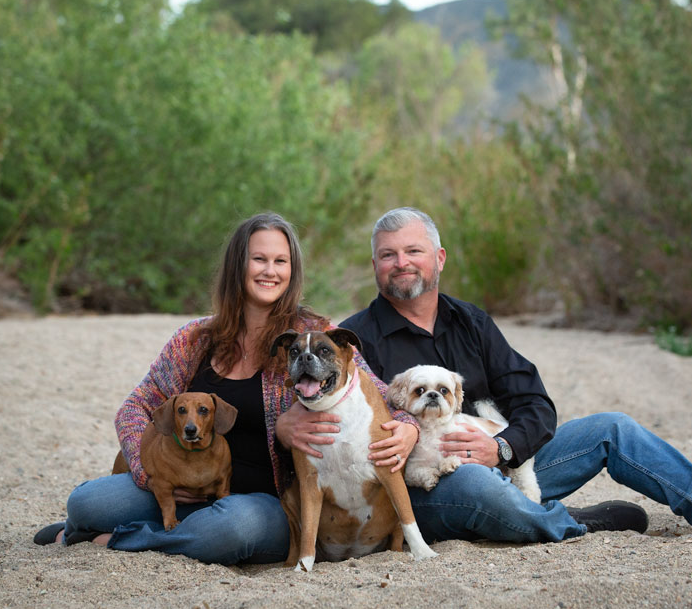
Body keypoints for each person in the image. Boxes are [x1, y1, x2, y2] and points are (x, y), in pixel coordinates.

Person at [336, 207, 692, 543]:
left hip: (509, 467)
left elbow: (534, 404)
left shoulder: (472, 322)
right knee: (478, 487)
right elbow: (351, 439)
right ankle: (562, 521)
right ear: (375, 265)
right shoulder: (354, 339)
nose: (401, 263)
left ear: (439, 258)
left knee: (612, 427)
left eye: (413, 251)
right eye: (388, 255)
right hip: (430, 486)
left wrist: (501, 448)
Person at [33, 212, 419, 565]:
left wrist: (407, 427)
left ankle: (114, 540)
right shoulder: (195, 339)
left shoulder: (311, 336)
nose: (270, 271)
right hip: (183, 486)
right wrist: (148, 474)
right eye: (259, 259)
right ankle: (103, 527)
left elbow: (381, 395)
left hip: (263, 503)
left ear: (292, 271)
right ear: (238, 264)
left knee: (231, 531)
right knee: (85, 502)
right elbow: (135, 408)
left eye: (280, 262)